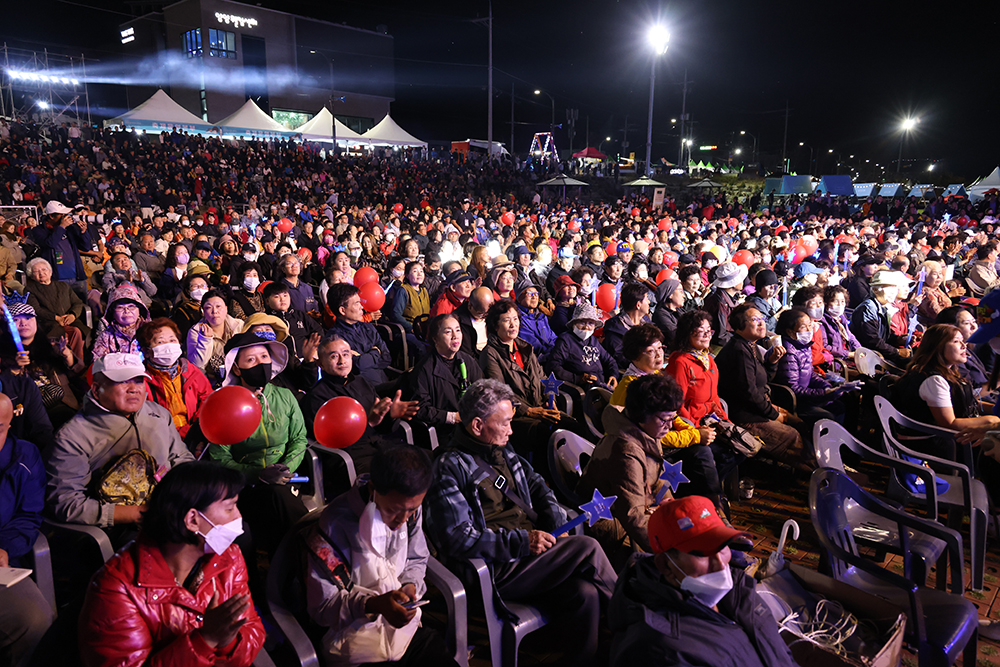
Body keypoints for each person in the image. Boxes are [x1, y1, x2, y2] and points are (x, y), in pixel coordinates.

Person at [424, 379, 617, 667]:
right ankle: (636, 619)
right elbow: (456, 538)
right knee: (587, 547)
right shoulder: (448, 468)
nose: (511, 430)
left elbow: (539, 487)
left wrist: (553, 525)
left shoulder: (502, 450)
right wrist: (522, 542)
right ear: (477, 426)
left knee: (585, 593)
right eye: (504, 423)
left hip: (530, 555)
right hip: (494, 568)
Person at [78, 461, 265, 667]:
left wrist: (228, 641)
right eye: (230, 508)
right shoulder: (117, 589)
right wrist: (206, 640)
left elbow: (252, 632)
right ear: (192, 519)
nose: (238, 517)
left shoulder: (228, 558)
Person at [304, 445, 459, 666]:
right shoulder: (334, 526)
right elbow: (322, 607)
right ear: (372, 489)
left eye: (413, 509)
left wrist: (410, 586)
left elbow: (416, 558)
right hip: (353, 641)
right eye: (394, 510)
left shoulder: (409, 509)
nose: (403, 520)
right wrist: (373, 605)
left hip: (405, 634)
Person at [609, 496, 797, 667]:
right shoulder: (661, 650)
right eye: (701, 554)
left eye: (722, 547)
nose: (720, 563)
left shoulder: (741, 594)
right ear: (665, 565)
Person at [46, 352, 193, 534]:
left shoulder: (159, 414)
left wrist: (188, 493)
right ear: (96, 389)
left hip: (171, 509)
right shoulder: (73, 436)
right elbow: (66, 504)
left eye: (139, 380)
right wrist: (138, 513)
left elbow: (181, 458)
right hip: (119, 528)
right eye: (122, 381)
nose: (134, 388)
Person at [206, 330, 308, 555]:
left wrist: (285, 469)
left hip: (285, 478)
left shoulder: (285, 396)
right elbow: (220, 458)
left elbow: (299, 439)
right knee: (278, 500)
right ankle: (305, 553)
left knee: (279, 498)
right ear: (236, 368)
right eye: (251, 360)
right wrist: (259, 474)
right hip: (245, 485)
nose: (260, 364)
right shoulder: (224, 405)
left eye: (264, 357)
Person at [301, 334, 418, 475]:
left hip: (382, 447)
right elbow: (333, 442)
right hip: (352, 458)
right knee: (401, 475)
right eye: (333, 356)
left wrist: (390, 416)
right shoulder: (317, 397)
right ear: (321, 365)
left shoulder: (361, 382)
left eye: (346, 354)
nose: (342, 361)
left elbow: (382, 427)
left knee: (427, 462)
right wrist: (369, 424)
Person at [715, 304, 808, 468]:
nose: (762, 323)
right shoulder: (739, 351)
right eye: (755, 320)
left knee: (799, 421)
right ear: (740, 326)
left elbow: (763, 380)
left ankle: (818, 465)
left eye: (762, 319)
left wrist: (772, 362)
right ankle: (812, 474)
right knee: (792, 434)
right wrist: (772, 413)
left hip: (756, 406)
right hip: (744, 415)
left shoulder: (751, 346)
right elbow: (749, 393)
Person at [0, 392, 54, 667]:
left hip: (1, 566)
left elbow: (28, 516)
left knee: (34, 621)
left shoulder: (25, 456)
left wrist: (5, 547)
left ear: (9, 424)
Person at [891, 324, 1000, 459]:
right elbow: (949, 423)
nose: (963, 345)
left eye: (962, 340)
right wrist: (992, 422)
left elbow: (964, 402)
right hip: (935, 446)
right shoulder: (933, 380)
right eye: (956, 341)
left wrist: (995, 410)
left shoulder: (946, 373)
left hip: (953, 439)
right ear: (937, 347)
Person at [407, 313, 484, 442]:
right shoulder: (424, 369)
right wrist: (453, 417)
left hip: (471, 424)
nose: (455, 336)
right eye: (448, 332)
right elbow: (421, 409)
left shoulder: (467, 360)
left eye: (458, 330)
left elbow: (482, 390)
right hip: (445, 432)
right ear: (435, 338)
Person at [138, 318, 213, 444]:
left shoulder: (191, 371)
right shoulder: (141, 380)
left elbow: (208, 400)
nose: (168, 346)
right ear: (146, 351)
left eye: (172, 340)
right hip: (160, 439)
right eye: (160, 342)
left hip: (195, 434)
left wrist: (196, 430)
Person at [774, 308, 846, 424]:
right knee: (828, 417)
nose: (809, 330)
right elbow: (793, 388)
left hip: (807, 396)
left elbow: (809, 373)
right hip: (797, 402)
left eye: (809, 325)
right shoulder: (788, 352)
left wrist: (826, 387)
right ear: (790, 332)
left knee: (842, 404)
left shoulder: (802, 346)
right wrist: (823, 393)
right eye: (803, 327)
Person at [326, 283, 391, 385]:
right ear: (342, 310)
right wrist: (376, 351)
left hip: (384, 382)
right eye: (356, 303)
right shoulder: (335, 339)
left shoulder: (368, 327)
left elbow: (387, 357)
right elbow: (357, 366)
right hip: (362, 391)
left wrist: (365, 358)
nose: (362, 307)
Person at [24, 257, 88, 359]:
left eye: (44, 269)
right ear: (32, 276)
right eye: (36, 271)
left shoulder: (63, 285)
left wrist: (73, 315)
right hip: (48, 323)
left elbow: (77, 303)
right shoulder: (30, 289)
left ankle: (79, 363)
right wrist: (56, 318)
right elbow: (36, 309)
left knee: (83, 332)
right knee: (74, 332)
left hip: (70, 320)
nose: (41, 273)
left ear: (50, 272)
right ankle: (74, 363)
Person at [546, 300, 619, 389]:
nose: (586, 327)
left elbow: (610, 361)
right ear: (574, 323)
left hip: (601, 385)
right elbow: (553, 366)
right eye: (582, 322)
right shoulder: (565, 340)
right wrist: (578, 378)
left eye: (591, 323)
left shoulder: (593, 340)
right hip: (582, 389)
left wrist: (613, 375)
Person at [849, 270, 911, 367]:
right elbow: (871, 341)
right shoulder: (868, 309)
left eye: (895, 289)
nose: (893, 293)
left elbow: (884, 337)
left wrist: (898, 339)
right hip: (868, 357)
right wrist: (897, 351)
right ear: (875, 290)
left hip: (878, 354)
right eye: (889, 288)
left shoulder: (883, 307)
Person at [186, 289, 244, 383]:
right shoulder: (195, 332)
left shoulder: (239, 326)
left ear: (226, 309)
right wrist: (205, 340)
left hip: (240, 378)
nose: (215, 311)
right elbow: (196, 365)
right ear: (203, 312)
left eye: (218, 306)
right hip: (212, 383)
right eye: (209, 308)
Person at [601, 283, 652, 370]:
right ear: (638, 305)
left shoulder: (647, 322)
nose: (649, 302)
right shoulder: (614, 328)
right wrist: (644, 362)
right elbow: (620, 358)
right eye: (646, 299)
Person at [92, 285, 150, 358]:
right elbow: (98, 363)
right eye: (120, 307)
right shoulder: (106, 337)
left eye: (131, 306)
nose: (126, 311)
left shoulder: (149, 332)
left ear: (139, 310)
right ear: (112, 313)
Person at [703, 261, 747, 348]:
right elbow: (721, 336)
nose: (743, 281)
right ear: (734, 284)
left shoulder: (728, 299)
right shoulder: (720, 304)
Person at [818, 285, 860, 365]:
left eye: (842, 301)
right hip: (838, 362)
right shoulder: (822, 321)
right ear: (826, 303)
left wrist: (859, 350)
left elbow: (850, 337)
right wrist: (848, 354)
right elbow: (825, 347)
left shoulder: (841, 318)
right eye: (835, 301)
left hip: (850, 356)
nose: (840, 305)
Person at [516, 283, 557, 361]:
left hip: (553, 354)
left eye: (536, 293)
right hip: (538, 360)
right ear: (519, 297)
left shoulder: (541, 316)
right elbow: (534, 345)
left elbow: (553, 337)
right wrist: (555, 352)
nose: (534, 296)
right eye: (530, 293)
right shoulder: (518, 318)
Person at [171, 272, 211, 340]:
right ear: (187, 291)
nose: (200, 289)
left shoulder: (214, 304)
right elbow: (184, 335)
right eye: (195, 286)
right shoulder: (184, 309)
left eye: (203, 286)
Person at [651, 277, 685, 348]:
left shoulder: (679, 310)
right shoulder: (660, 314)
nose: (684, 296)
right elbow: (674, 335)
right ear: (670, 294)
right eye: (680, 291)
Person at [746, 269, 781, 333]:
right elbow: (764, 327)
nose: (772, 289)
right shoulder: (754, 303)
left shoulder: (773, 300)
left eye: (774, 286)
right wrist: (778, 315)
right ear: (760, 287)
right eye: (769, 286)